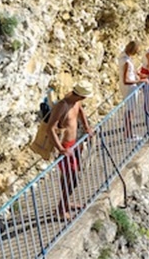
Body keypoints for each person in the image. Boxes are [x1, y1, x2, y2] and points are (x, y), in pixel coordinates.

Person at [47, 81, 94, 221]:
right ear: (80, 95)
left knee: (69, 176)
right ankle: (61, 210)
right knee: (72, 178)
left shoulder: (76, 102)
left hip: (74, 144)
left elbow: (81, 112)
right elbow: (50, 128)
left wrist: (86, 127)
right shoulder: (63, 105)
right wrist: (61, 149)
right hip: (66, 146)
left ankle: (66, 203)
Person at [119, 41, 148, 140]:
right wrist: (140, 80)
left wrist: (138, 74)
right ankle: (128, 134)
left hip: (125, 87)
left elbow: (129, 71)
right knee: (130, 111)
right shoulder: (127, 62)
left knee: (129, 110)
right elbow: (126, 79)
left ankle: (128, 133)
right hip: (130, 88)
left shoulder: (123, 57)